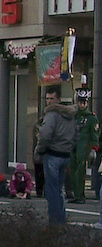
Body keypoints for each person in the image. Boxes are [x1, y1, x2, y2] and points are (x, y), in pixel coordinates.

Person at [34, 87, 78, 225]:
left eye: (51, 98)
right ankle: (61, 219)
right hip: (65, 154)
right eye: (47, 98)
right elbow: (76, 135)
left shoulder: (52, 115)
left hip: (53, 154)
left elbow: (45, 135)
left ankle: (55, 222)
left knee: (52, 190)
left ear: (58, 99)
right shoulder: (70, 116)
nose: (48, 102)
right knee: (59, 190)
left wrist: (39, 150)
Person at [69, 89, 98, 204]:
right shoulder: (73, 116)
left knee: (80, 172)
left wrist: (93, 149)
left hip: (83, 147)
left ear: (87, 103)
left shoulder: (91, 118)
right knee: (72, 171)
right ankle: (76, 194)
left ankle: (80, 196)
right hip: (72, 147)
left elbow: (94, 134)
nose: (81, 105)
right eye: (79, 102)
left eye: (83, 102)